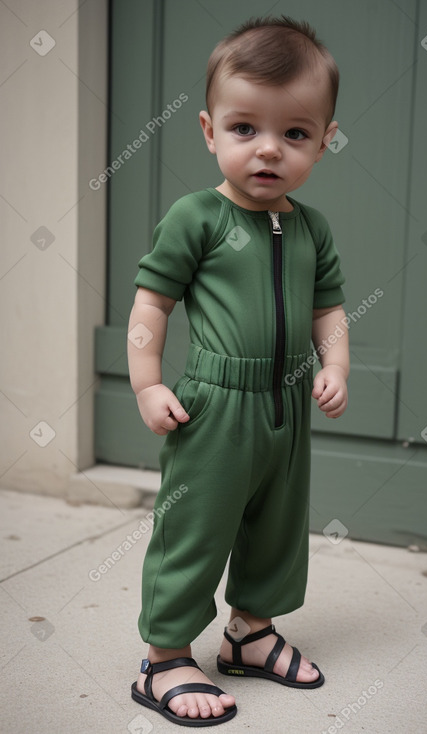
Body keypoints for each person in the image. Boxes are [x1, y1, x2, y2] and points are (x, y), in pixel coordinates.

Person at [128, 15, 349, 727]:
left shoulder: (311, 227)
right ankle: (164, 658)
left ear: (324, 140)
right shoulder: (195, 218)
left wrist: (335, 363)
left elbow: (329, 310)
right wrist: (147, 381)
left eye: (294, 134)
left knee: (275, 527)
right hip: (215, 407)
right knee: (195, 526)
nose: (268, 150)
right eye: (244, 127)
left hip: (287, 407)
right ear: (208, 131)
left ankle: (250, 631)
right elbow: (151, 305)